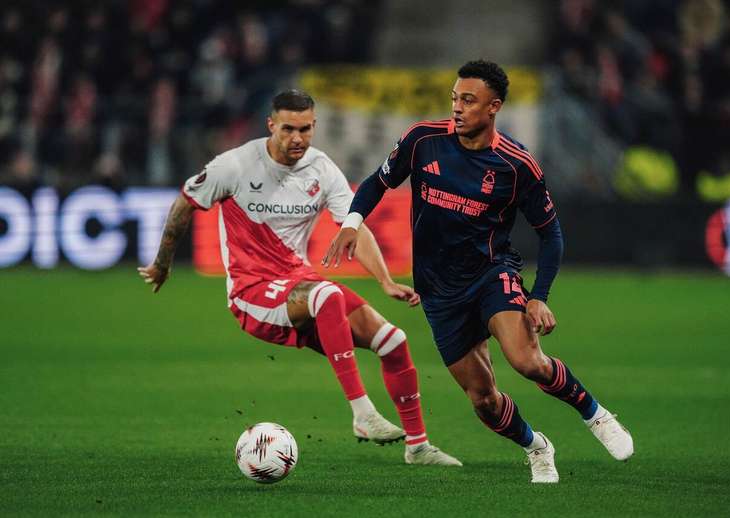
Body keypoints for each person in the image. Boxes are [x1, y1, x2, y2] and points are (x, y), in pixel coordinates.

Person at [325, 60, 634, 483]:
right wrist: (351, 223)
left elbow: (552, 234)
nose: (457, 107)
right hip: (437, 290)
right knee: (484, 399)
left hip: (492, 273)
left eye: (468, 100)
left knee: (527, 362)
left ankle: (595, 414)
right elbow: (378, 182)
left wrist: (539, 295)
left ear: (494, 107)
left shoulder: (517, 165)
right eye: (455, 98)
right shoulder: (422, 140)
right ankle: (537, 446)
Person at [138, 89, 460, 467]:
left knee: (394, 341)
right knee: (327, 295)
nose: (297, 139)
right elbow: (184, 203)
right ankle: (363, 413)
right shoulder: (236, 165)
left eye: (305, 129)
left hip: (298, 283)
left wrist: (386, 281)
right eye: (288, 129)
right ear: (271, 125)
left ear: (314, 126)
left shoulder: (322, 169)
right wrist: (163, 262)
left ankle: (418, 447)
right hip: (252, 291)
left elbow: (354, 226)